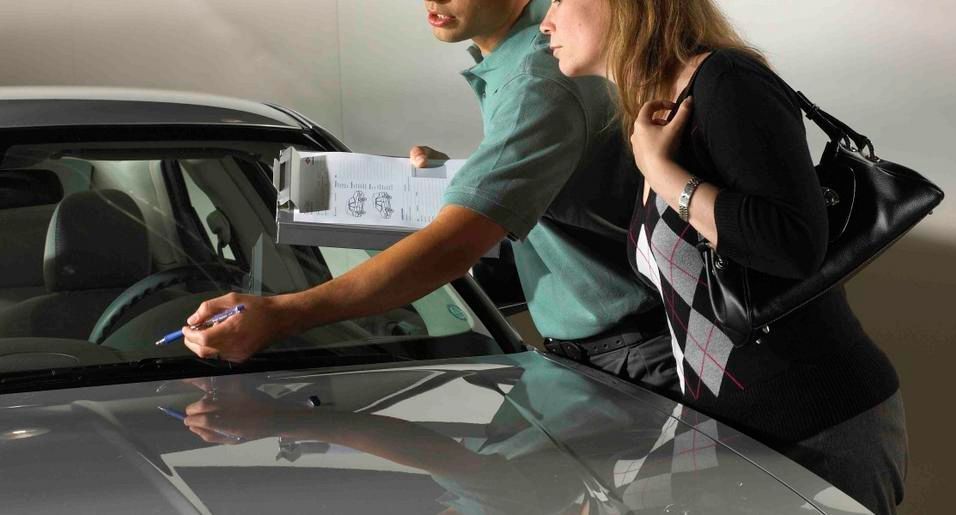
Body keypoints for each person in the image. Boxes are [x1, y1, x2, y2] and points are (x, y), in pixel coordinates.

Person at [181, 0, 679, 399]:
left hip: (629, 357)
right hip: (602, 354)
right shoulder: (522, 63)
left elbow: (453, 248)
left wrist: (283, 315)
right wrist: (471, 180)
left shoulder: (538, 78)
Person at [540, 1, 908, 513]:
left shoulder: (727, 81)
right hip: (731, 436)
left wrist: (659, 169)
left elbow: (793, 243)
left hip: (810, 429)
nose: (546, 20)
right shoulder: (658, 110)